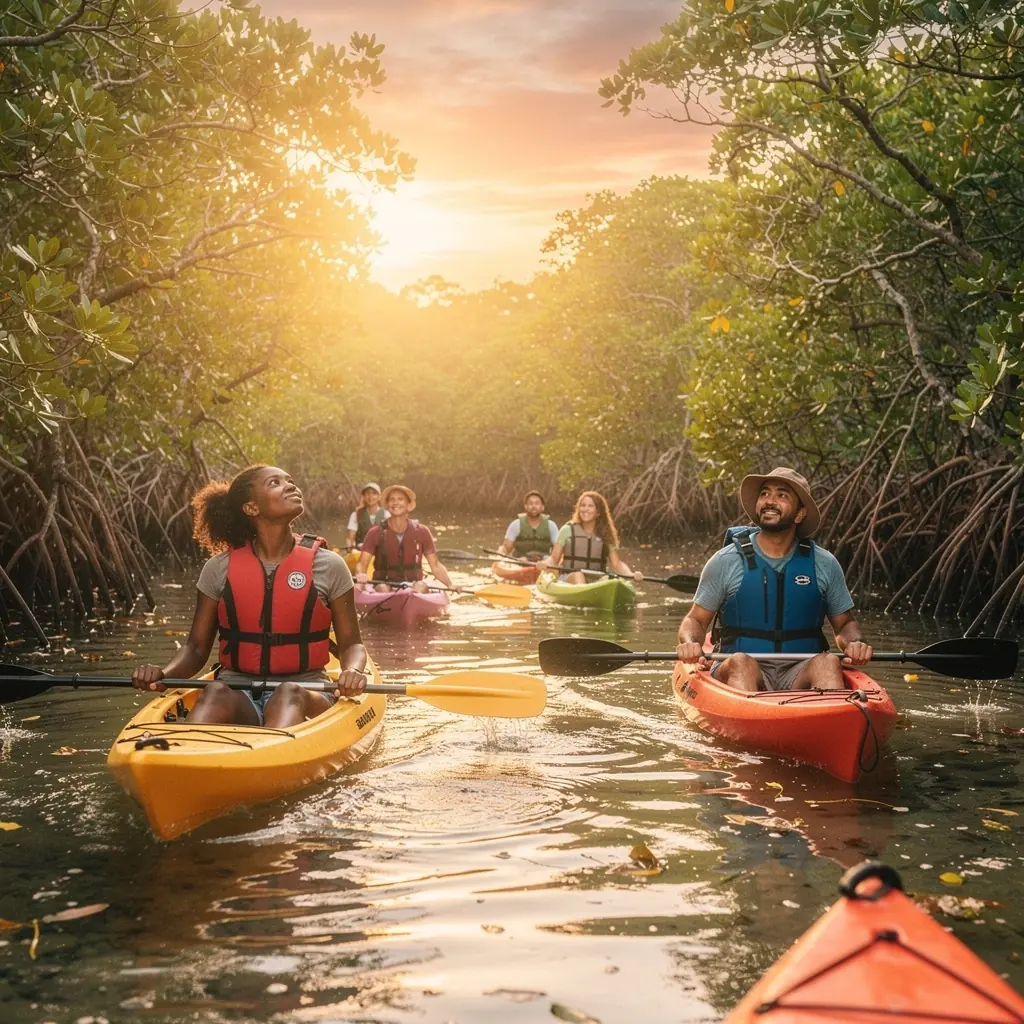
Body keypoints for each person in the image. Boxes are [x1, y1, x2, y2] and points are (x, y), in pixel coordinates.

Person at [131, 465, 368, 727]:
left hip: (307, 690)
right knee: (215, 693)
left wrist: (353, 671)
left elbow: (351, 644)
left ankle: (275, 757)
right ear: (251, 508)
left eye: (290, 480)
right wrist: (162, 674)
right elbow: (196, 649)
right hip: (238, 691)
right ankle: (186, 756)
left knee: (288, 693)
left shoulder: (329, 565)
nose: (290, 485)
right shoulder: (219, 569)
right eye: (275, 483)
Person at [676, 467, 873, 692]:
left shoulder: (824, 563)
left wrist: (856, 643)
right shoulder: (725, 561)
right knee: (741, 662)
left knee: (828, 662)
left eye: (782, 495)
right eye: (764, 494)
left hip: (800, 669)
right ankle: (749, 720)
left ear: (800, 514)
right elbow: (696, 621)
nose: (770, 501)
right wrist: (690, 642)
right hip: (741, 667)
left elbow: (845, 624)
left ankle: (830, 720)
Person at [355, 485, 454, 594]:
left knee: (421, 586)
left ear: (408, 505)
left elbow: (435, 566)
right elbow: (362, 563)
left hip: (414, 583)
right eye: (392, 500)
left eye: (400, 499)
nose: (396, 503)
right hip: (383, 583)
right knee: (382, 588)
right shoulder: (375, 532)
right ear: (388, 505)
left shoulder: (422, 531)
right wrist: (361, 574)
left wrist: (450, 584)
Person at [540, 490, 642, 584]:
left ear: (598, 512)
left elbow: (617, 564)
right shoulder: (567, 530)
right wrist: (545, 563)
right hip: (569, 578)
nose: (585, 509)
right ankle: (583, 597)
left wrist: (631, 574)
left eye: (590, 506)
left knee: (610, 580)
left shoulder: (605, 534)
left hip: (596, 578)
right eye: (583, 505)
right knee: (578, 575)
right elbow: (554, 559)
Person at [497, 490, 559, 562]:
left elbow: (557, 550)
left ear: (542, 507)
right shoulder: (516, 525)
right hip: (520, 562)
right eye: (530, 503)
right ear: (526, 507)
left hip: (544, 563)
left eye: (537, 503)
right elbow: (506, 549)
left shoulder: (551, 526)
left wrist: (549, 561)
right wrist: (501, 551)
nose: (533, 506)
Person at [345, 482, 389, 550]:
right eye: (368, 493)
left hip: (380, 552)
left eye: (374, 493)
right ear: (364, 496)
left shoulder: (387, 515)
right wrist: (350, 548)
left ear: (379, 497)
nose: (370, 497)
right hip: (361, 552)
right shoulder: (356, 515)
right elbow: (350, 539)